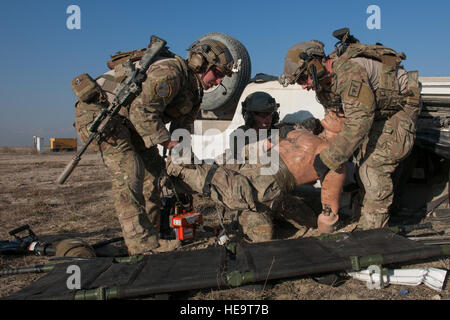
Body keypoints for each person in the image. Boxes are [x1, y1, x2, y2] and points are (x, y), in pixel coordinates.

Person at [73, 36, 234, 255]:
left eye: (222, 77)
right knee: (130, 171)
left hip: (131, 121)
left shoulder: (194, 92)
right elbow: (141, 110)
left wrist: (184, 163)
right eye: (217, 74)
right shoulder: (170, 73)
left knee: (156, 174)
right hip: (101, 115)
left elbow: (181, 131)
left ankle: (154, 233)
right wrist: (167, 141)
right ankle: (141, 245)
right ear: (199, 62)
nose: (218, 82)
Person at [278, 32, 422, 230]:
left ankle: (374, 233)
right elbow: (337, 122)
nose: (304, 86)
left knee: (372, 167)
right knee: (356, 157)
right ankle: (361, 216)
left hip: (399, 107)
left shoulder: (349, 72)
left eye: (303, 78)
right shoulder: (323, 85)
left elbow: (359, 122)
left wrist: (329, 159)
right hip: (373, 110)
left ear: (315, 64)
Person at [166, 110, 348, 241]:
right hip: (254, 166)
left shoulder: (332, 156)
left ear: (348, 127)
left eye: (340, 114)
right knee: (215, 176)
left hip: (269, 185)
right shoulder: (301, 132)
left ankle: (181, 169)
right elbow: (265, 144)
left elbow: (328, 210)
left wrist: (328, 237)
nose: (333, 112)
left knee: (265, 228)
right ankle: (178, 168)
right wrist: (239, 155)